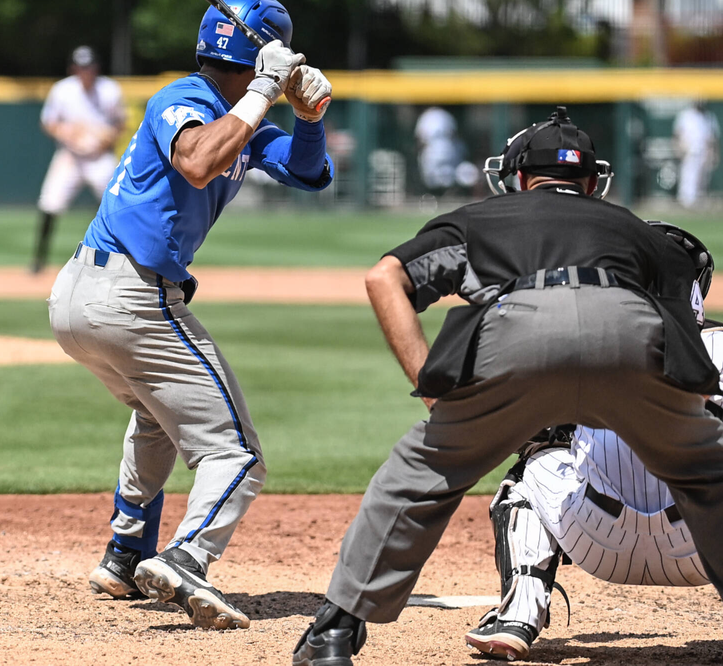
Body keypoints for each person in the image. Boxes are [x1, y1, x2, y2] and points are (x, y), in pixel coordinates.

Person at [292, 106, 723, 665]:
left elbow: (384, 279)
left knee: (422, 473)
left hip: (517, 328)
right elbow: (682, 331)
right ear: (592, 183)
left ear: (520, 177)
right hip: (627, 332)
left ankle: (335, 633)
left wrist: (430, 386)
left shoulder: (481, 216)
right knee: (709, 474)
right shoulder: (636, 230)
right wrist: (680, 428)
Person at [48, 0, 334, 630]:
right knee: (237, 455)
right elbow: (199, 161)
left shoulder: (239, 116)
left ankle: (126, 553)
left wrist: (309, 114)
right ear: (263, 52)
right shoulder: (185, 97)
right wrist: (263, 89)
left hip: (93, 298)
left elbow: (310, 174)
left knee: (158, 417)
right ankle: (188, 557)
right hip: (127, 294)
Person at [464, 221, 720, 660]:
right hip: (706, 552)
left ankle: (519, 615)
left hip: (598, 544)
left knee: (530, 467)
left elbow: (513, 431)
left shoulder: (576, 342)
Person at [29, 46, 126, 273]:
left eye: (89, 67)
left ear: (96, 67)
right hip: (70, 157)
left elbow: (120, 123)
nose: (86, 72)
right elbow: (48, 122)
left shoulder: (109, 89)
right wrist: (67, 133)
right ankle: (38, 260)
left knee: (118, 206)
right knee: (49, 202)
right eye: (81, 67)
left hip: (100, 157)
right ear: (73, 68)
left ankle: (124, 259)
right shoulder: (62, 90)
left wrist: (107, 138)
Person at [673, 100, 718, 208]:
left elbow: (712, 137)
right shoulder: (685, 115)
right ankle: (686, 204)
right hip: (689, 151)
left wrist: (714, 152)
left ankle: (698, 204)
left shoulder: (708, 116)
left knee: (702, 180)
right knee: (688, 178)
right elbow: (678, 134)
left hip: (704, 152)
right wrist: (678, 148)